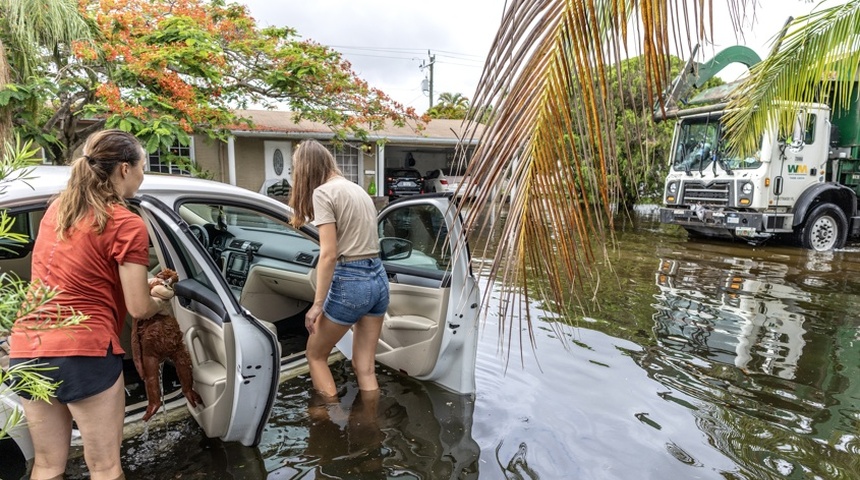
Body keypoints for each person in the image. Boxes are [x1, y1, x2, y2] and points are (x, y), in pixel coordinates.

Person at [9, 129, 171, 480]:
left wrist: (139, 287)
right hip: (82, 350)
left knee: (48, 464)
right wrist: (159, 299)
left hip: (29, 346)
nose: (143, 176)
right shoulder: (127, 223)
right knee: (105, 466)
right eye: (143, 167)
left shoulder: (58, 210)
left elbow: (79, 273)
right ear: (125, 169)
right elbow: (140, 309)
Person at [289, 139, 389, 399]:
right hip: (378, 279)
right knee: (365, 367)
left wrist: (316, 305)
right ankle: (370, 427)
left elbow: (329, 254)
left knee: (315, 355)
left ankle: (330, 424)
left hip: (351, 281)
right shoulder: (356, 189)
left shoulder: (323, 193)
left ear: (305, 168)